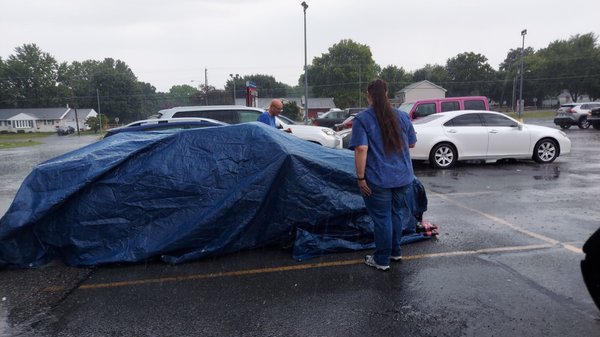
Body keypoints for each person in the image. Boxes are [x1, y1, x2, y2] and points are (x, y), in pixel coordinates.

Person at [349, 79, 417, 271]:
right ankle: (395, 252)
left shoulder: (362, 119)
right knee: (396, 214)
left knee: (382, 219)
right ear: (386, 93)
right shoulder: (403, 117)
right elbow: (412, 143)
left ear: (368, 95)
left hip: (379, 179)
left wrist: (360, 178)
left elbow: (361, 148)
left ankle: (381, 259)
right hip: (403, 177)